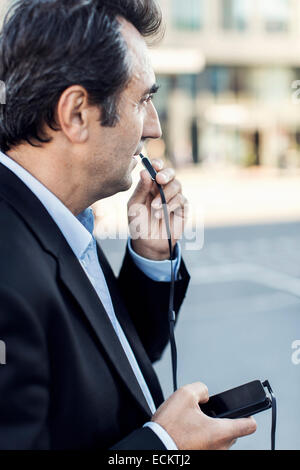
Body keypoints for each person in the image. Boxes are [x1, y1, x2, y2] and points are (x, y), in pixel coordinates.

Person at [0, 0, 256, 450]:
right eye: (143, 100)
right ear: (76, 113)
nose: (154, 128)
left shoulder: (62, 211)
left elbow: (112, 355)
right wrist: (163, 447)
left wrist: (151, 255)